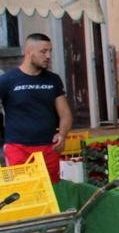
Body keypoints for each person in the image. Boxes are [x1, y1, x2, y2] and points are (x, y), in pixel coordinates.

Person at [0, 34, 72, 183]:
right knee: (22, 191)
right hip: (18, 147)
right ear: (28, 52)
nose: (48, 56)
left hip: (49, 147)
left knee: (50, 191)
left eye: (50, 51)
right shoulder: (7, 80)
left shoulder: (53, 79)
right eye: (43, 51)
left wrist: (63, 135)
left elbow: (65, 114)